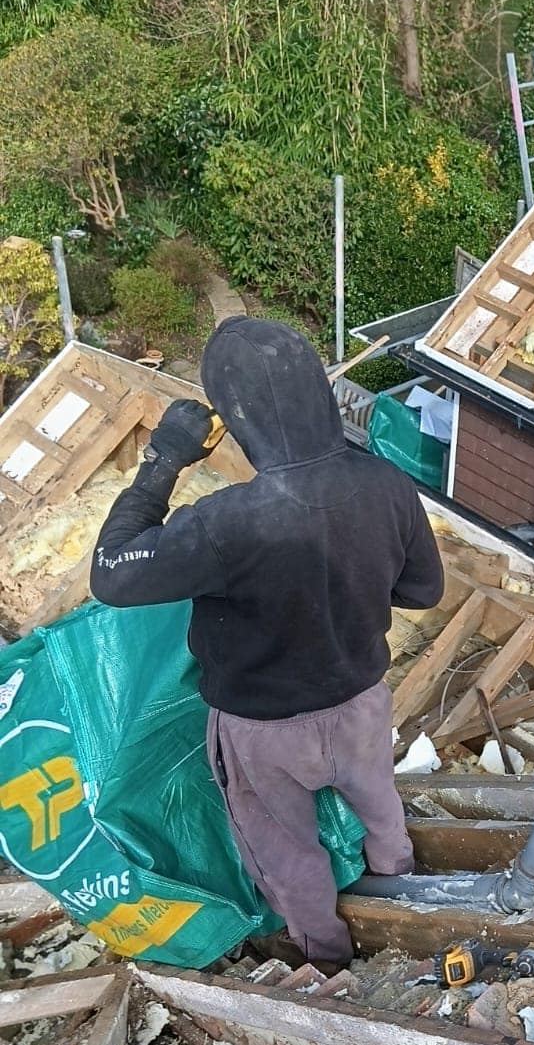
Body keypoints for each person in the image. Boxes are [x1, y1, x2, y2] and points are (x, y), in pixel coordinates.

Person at [90, 316, 444, 969]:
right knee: (380, 808)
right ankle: (403, 904)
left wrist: (164, 458)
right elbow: (422, 592)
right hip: (362, 704)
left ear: (237, 420)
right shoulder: (387, 485)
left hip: (264, 731)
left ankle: (327, 959)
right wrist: (351, 590)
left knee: (285, 849)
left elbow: (112, 574)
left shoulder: (225, 524)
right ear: (319, 390)